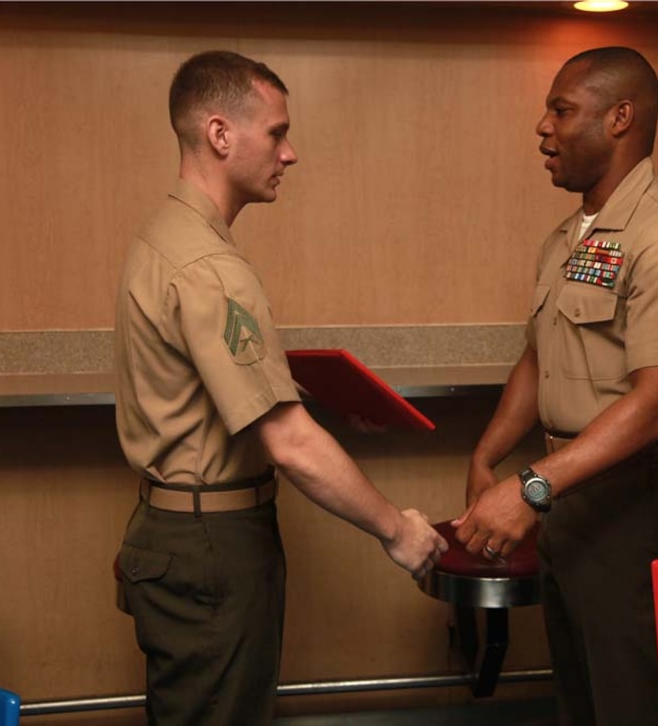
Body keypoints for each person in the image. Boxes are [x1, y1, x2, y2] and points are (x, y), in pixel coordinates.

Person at [112, 50, 447, 725]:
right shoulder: (210, 266)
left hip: (174, 532)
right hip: (212, 544)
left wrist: (330, 401)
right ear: (219, 134)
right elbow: (289, 443)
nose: (289, 153)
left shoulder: (165, 237)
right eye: (276, 132)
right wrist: (396, 531)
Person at [452, 47, 658, 725]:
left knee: (628, 697)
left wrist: (535, 485)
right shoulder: (570, 238)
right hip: (568, 497)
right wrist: (488, 458)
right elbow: (537, 359)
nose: (543, 127)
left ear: (620, 118)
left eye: (562, 110)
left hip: (634, 503)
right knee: (576, 695)